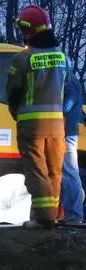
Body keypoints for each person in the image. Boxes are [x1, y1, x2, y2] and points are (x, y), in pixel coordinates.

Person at [7, 4, 68, 229]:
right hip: (57, 125)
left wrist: (16, 112)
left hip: (32, 125)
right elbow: (69, 90)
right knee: (54, 171)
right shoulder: (63, 58)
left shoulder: (21, 59)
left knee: (37, 171)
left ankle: (43, 220)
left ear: (30, 30)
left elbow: (13, 92)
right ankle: (49, 215)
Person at [60, 62, 84, 224]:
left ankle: (74, 216)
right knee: (67, 174)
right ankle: (69, 215)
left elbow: (66, 107)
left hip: (66, 133)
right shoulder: (72, 80)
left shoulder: (68, 80)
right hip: (68, 132)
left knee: (69, 174)